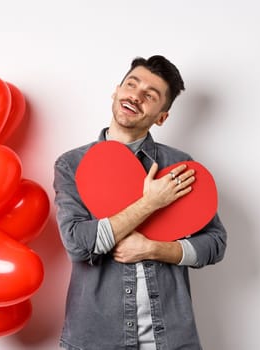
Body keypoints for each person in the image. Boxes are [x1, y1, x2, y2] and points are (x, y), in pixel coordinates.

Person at [53, 55, 227, 350]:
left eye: (150, 95)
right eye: (131, 85)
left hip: (170, 339)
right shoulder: (72, 165)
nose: (136, 96)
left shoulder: (180, 167)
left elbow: (215, 244)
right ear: (116, 91)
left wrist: (156, 249)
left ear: (162, 116)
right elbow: (78, 245)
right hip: (95, 339)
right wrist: (151, 203)